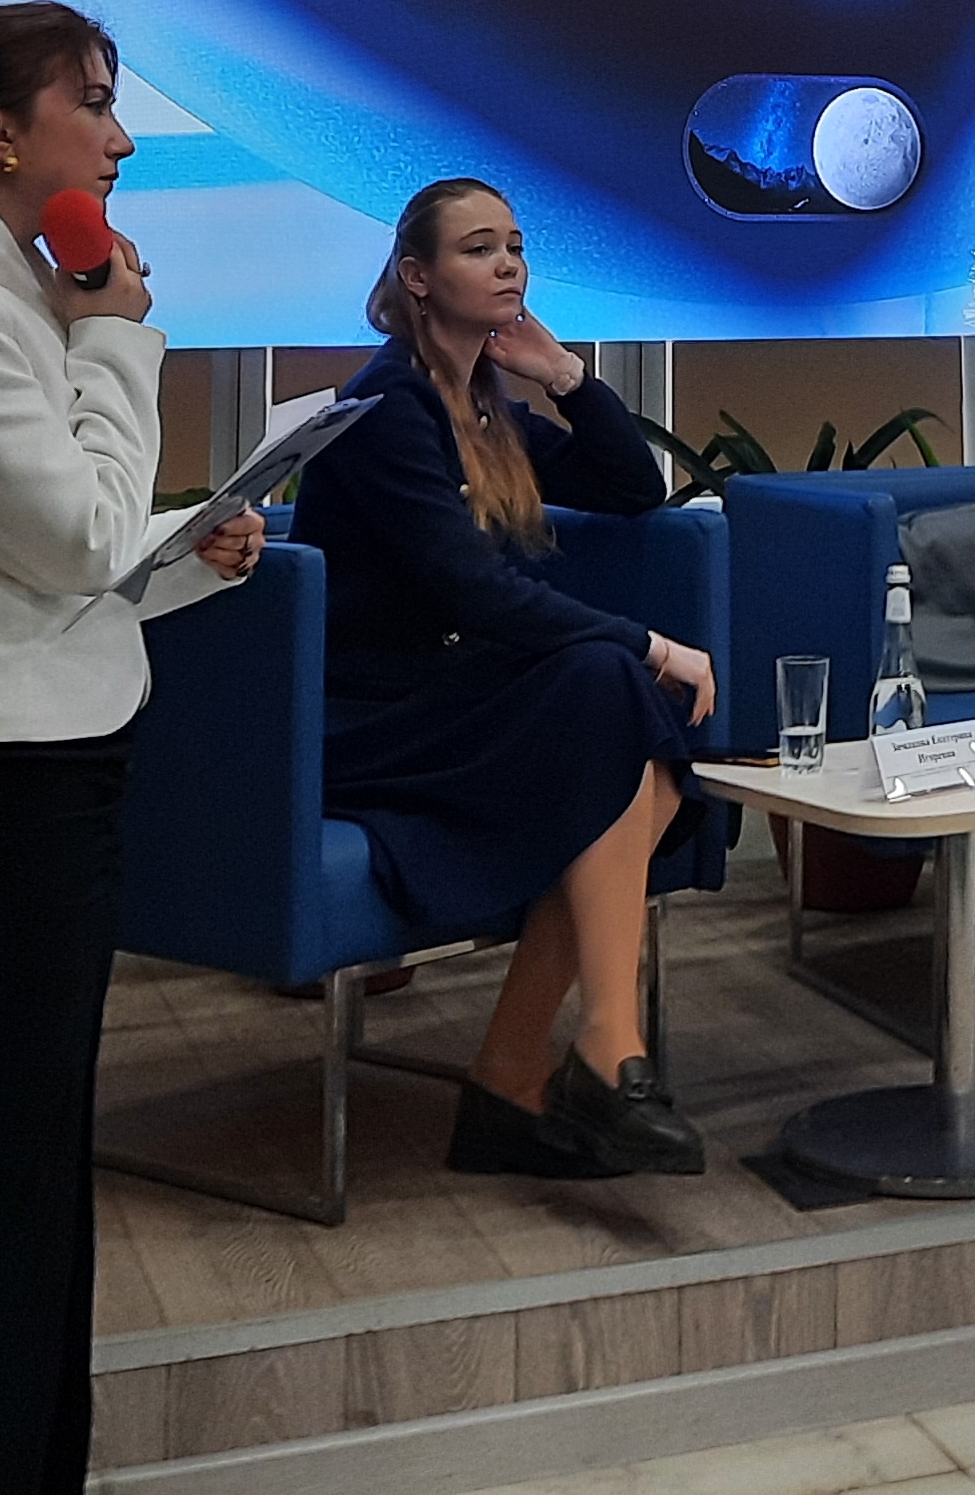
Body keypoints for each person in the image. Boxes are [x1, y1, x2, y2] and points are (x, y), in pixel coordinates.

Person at [0, 2, 264, 1495]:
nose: (124, 137)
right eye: (92, 102)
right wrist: (120, 339)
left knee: (24, 1187)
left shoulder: (8, 284)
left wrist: (192, 554)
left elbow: (58, 565)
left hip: (43, 766)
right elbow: (78, 536)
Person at [288, 178, 717, 1178]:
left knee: (629, 733)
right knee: (618, 689)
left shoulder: (482, 405)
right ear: (417, 276)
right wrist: (652, 645)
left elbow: (631, 491)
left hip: (449, 696)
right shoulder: (386, 407)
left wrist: (562, 375)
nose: (509, 265)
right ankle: (563, 1063)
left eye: (516, 247)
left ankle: (558, 1065)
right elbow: (472, 591)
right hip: (371, 716)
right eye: (479, 249)